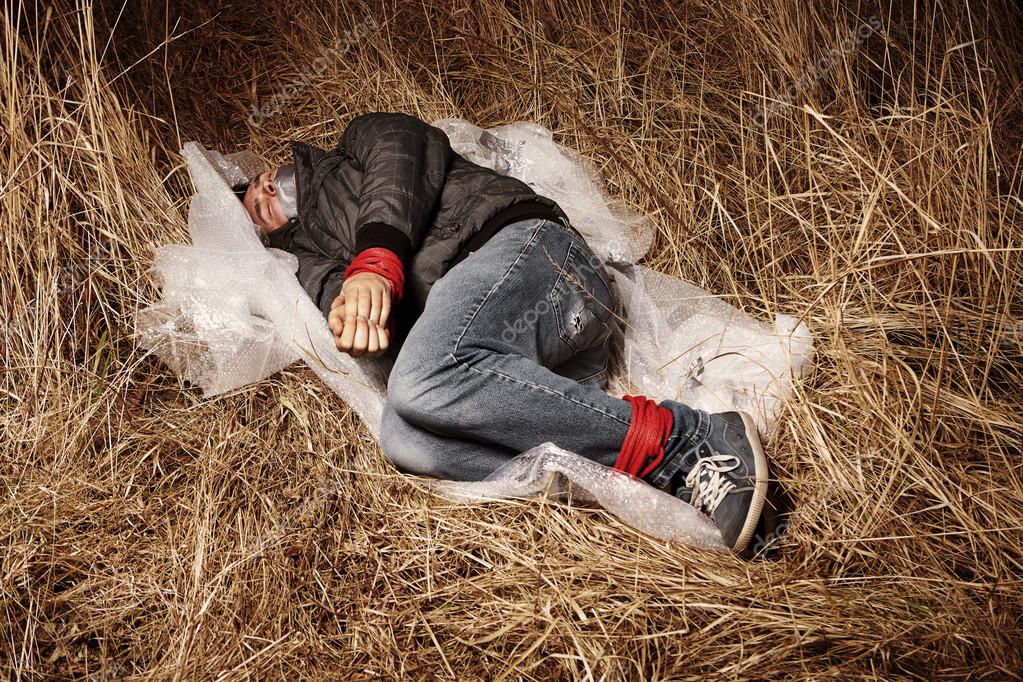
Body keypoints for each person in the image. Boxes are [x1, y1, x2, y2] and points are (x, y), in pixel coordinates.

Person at [232, 112, 769, 554]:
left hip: (537, 260)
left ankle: (688, 439)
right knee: (403, 437)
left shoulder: (355, 144)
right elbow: (361, 317)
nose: (261, 191)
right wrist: (356, 319)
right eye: (255, 209)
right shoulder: (306, 263)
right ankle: (637, 477)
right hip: (527, 364)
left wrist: (378, 259)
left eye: (260, 184)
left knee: (420, 382)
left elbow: (404, 150)